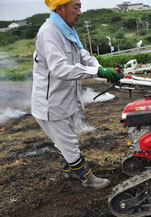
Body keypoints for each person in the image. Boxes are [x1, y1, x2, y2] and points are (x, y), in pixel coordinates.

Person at [32, 0, 120, 190]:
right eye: (76, 7)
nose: (80, 12)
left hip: (66, 98)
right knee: (69, 142)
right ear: (60, 8)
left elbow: (84, 56)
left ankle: (69, 169)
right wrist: (97, 73)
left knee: (65, 137)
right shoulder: (49, 32)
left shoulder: (67, 30)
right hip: (52, 103)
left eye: (80, 6)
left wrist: (102, 70)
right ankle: (86, 178)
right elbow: (60, 69)